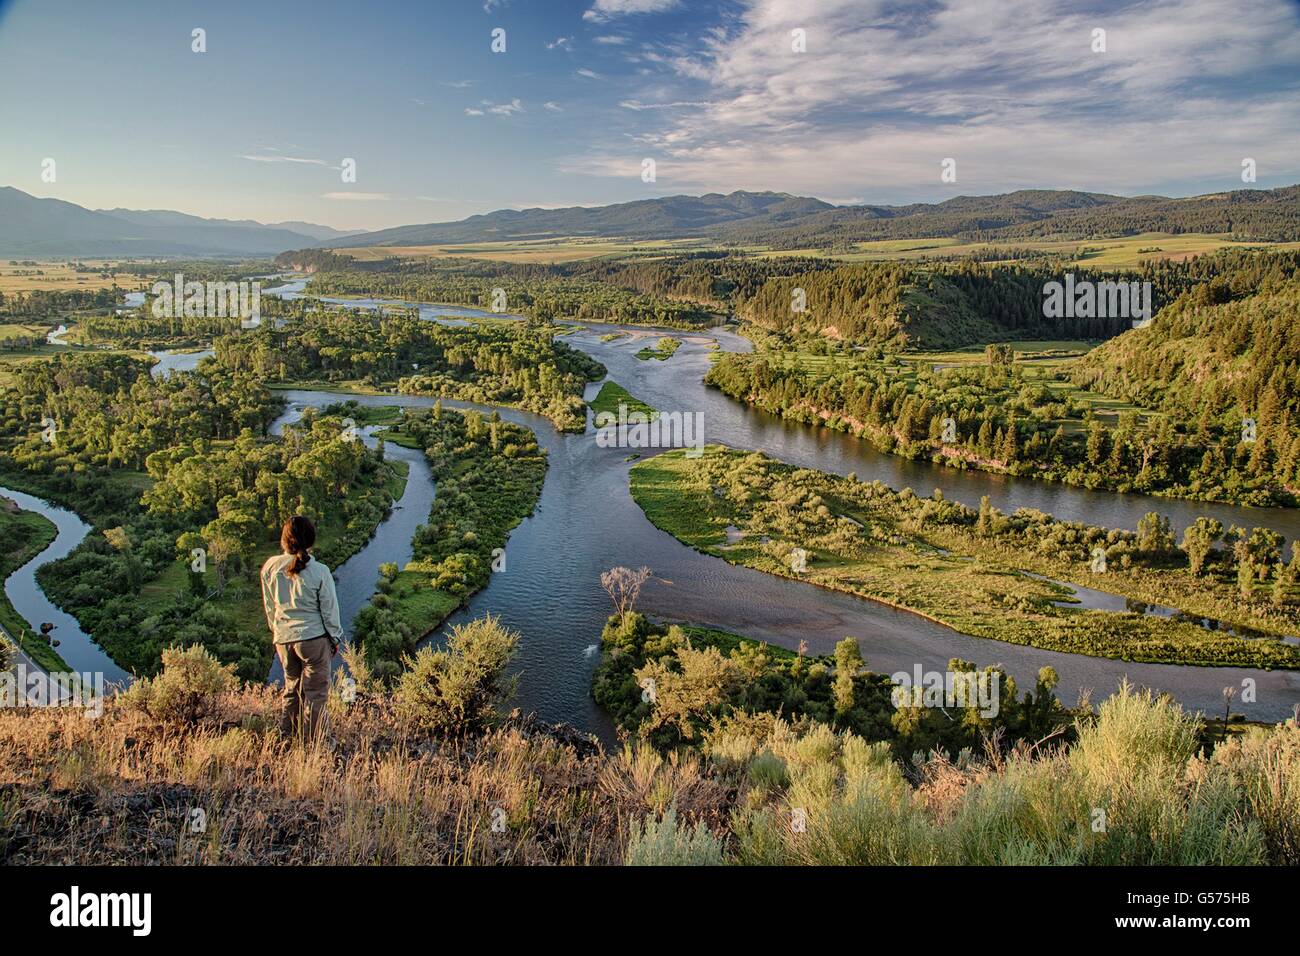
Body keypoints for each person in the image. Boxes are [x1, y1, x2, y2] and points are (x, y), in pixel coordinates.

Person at [260, 515, 344, 741]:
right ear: (311, 540)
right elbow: (329, 610)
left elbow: (270, 608)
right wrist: (334, 638)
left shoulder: (269, 567)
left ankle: (287, 739)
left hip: (284, 639)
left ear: (285, 540)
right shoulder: (320, 571)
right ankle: (319, 744)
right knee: (316, 694)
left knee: (292, 689)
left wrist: (278, 634)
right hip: (314, 639)